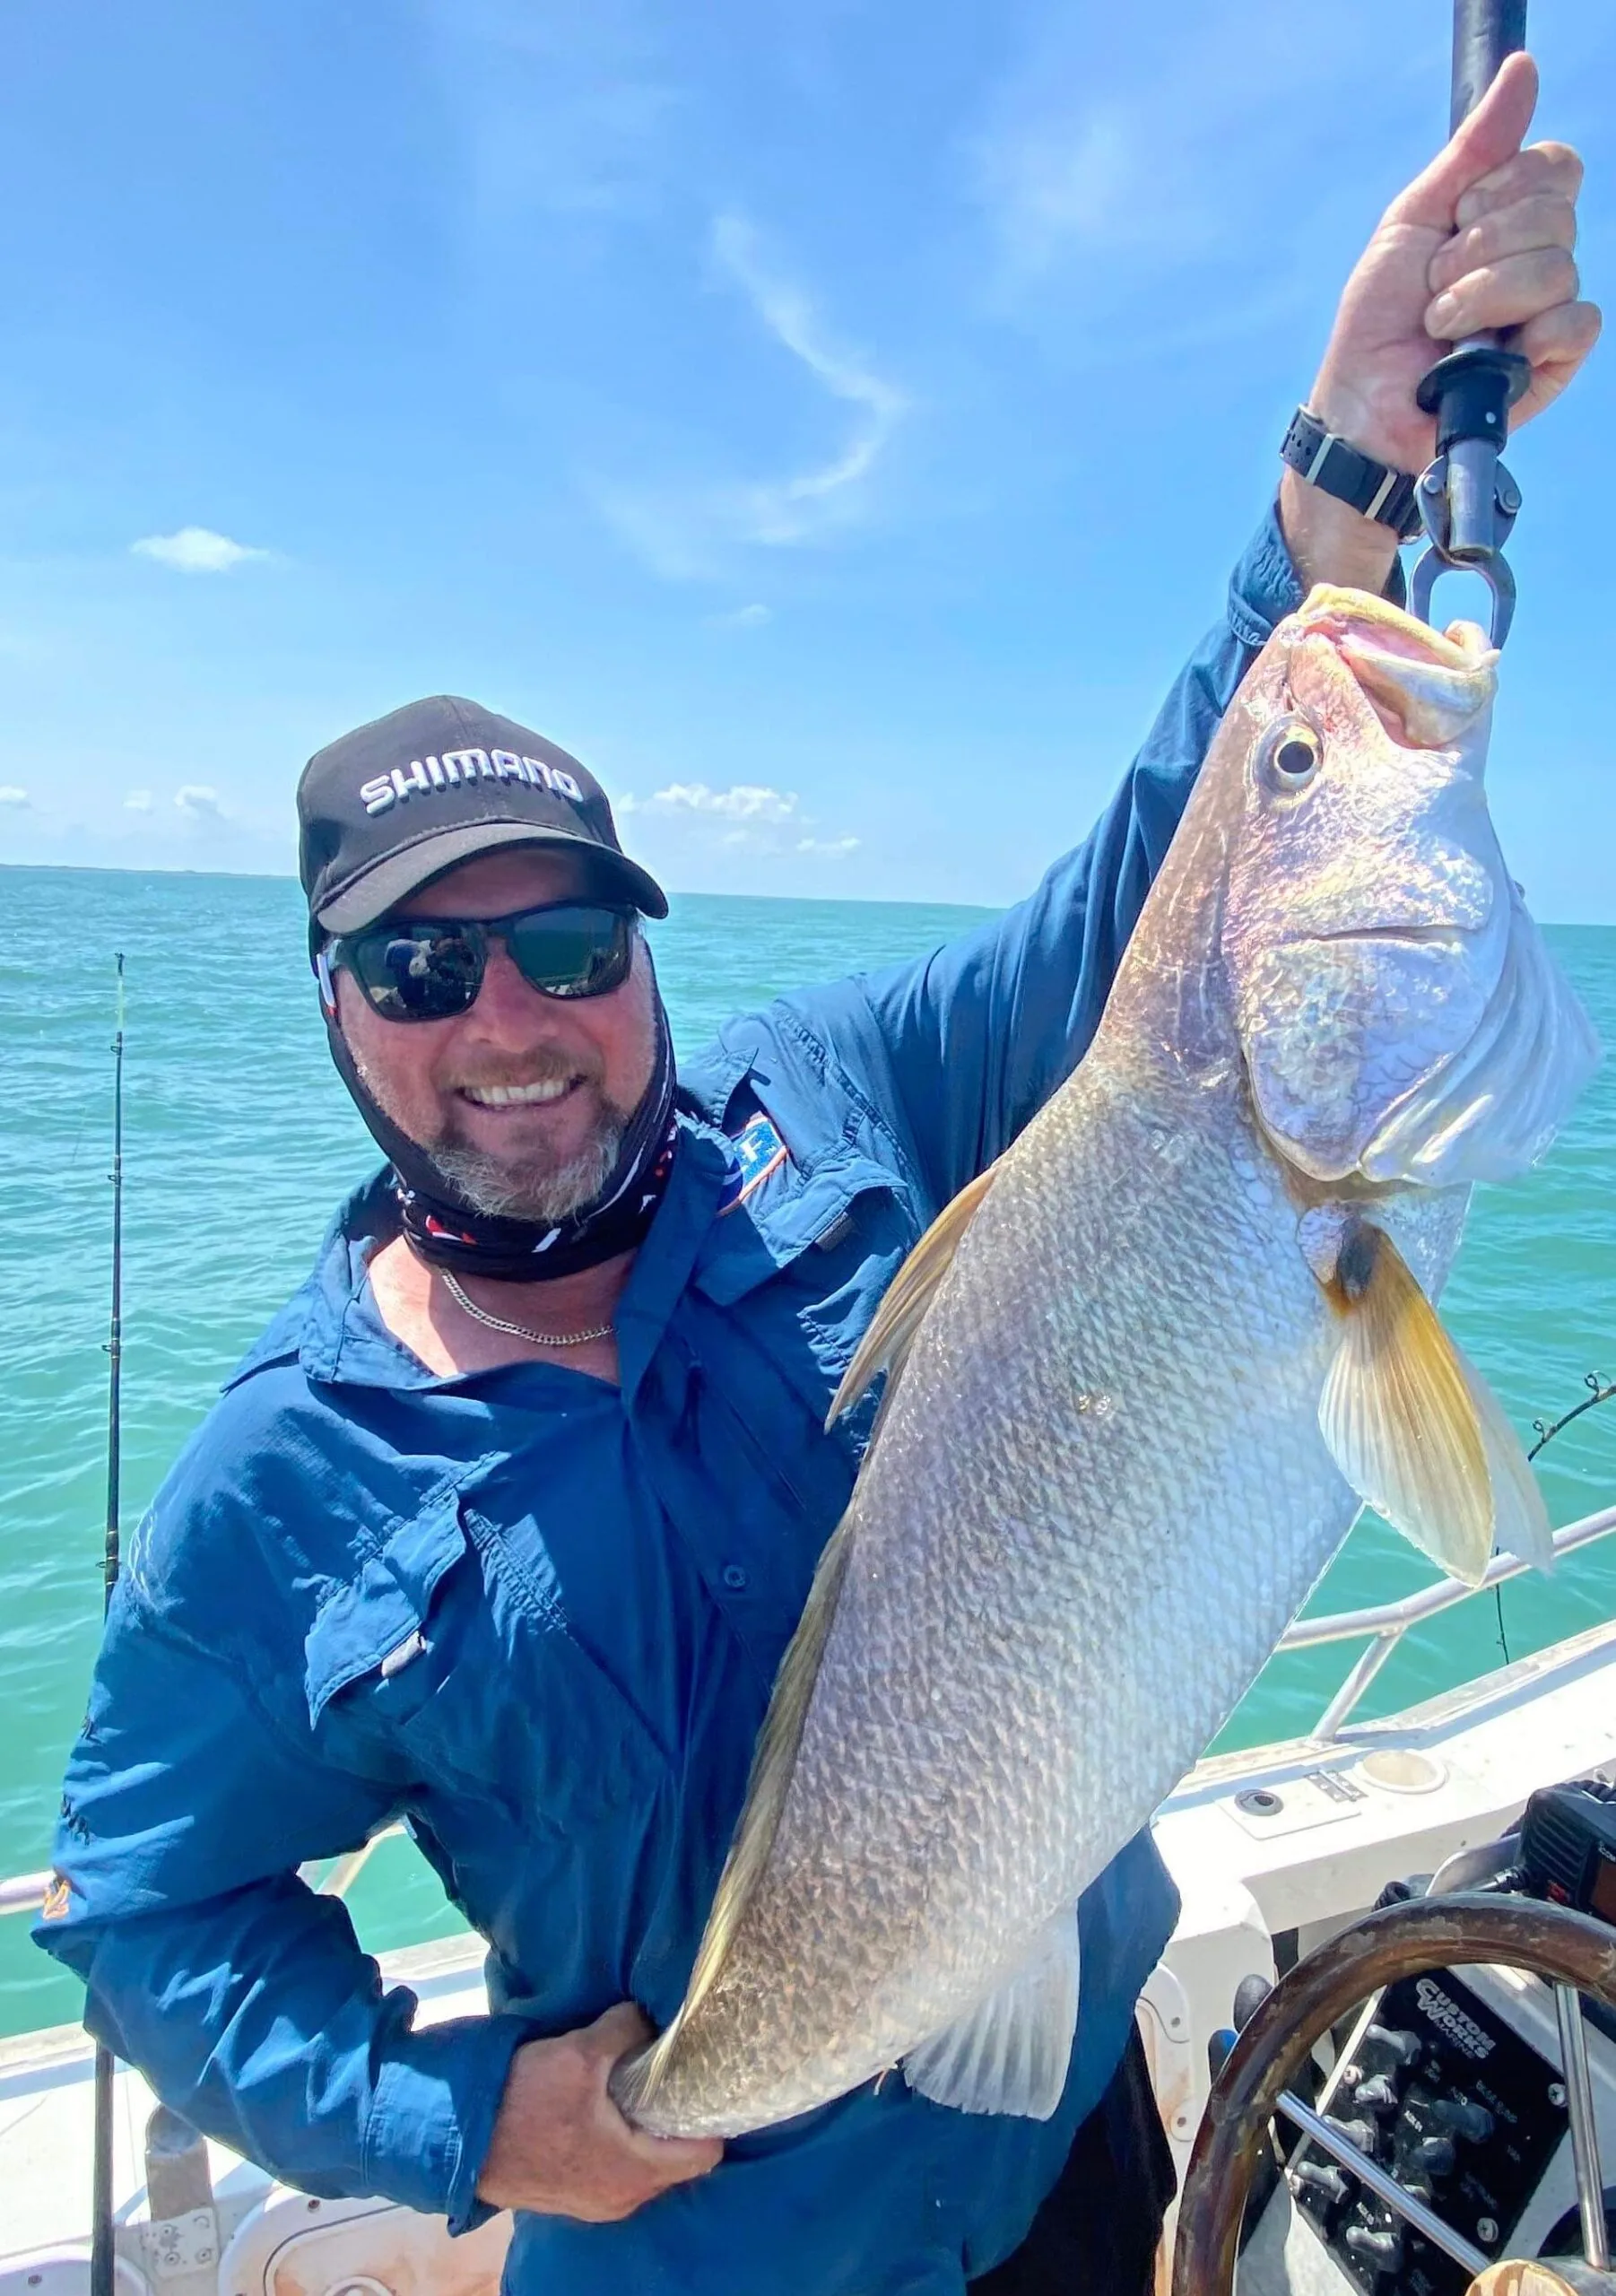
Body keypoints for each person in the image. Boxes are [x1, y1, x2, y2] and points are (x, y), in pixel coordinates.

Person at [37, 57, 1598, 2296]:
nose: (509, 1020)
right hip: (707, 2243)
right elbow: (142, 1898)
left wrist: (1346, 455)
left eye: (568, 938)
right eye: (420, 960)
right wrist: (471, 2118)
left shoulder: (845, 1083)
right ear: (332, 1001)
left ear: (644, 946)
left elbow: (1147, 918)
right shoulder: (273, 1485)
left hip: (1073, 2131)